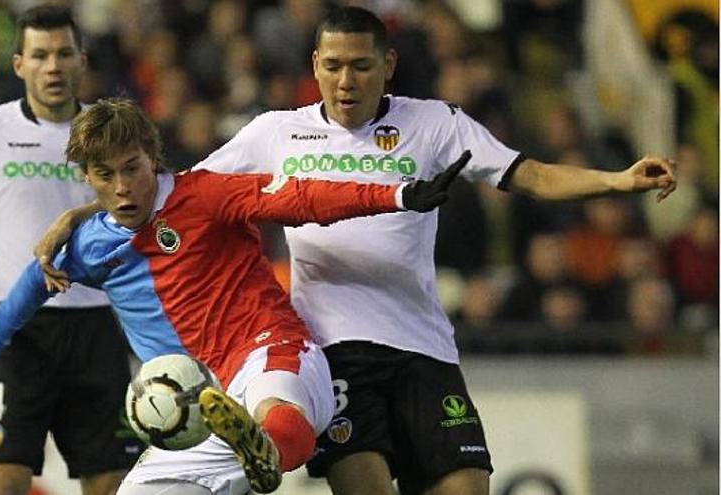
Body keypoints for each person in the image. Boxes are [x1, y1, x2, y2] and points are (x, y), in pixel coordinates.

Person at [186, 6, 676, 495]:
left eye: (360, 65)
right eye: (332, 66)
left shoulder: (434, 124)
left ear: (389, 65)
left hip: (422, 347)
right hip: (332, 352)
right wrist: (110, 207)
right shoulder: (275, 133)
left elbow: (534, 175)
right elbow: (183, 198)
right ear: (315, 64)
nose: (345, 81)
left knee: (466, 489)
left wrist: (617, 179)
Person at [0, 96, 470, 495]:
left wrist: (396, 194)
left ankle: (264, 449)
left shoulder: (206, 194)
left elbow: (301, 197)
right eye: (105, 175)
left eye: (133, 169)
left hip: (270, 348)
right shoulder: (88, 244)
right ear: (87, 177)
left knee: (279, 411)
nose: (122, 187)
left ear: (152, 158)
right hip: (193, 404)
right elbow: (28, 289)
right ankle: (251, 446)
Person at [0, 6, 141, 495]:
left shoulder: (112, 134)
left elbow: (146, 216)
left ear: (82, 60)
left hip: (98, 323)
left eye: (64, 53)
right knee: (0, 483)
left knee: (113, 483)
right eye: (40, 55)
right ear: (18, 63)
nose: (53, 66)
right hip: (11, 328)